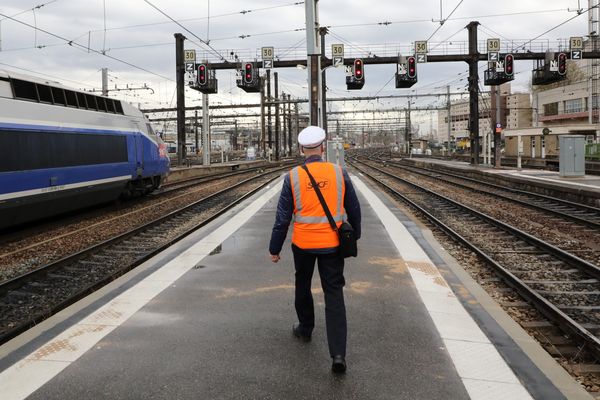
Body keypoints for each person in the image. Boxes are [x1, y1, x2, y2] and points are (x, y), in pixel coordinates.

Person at [269, 126, 361, 374]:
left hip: (303, 245)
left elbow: (282, 219)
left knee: (303, 283)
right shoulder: (340, 173)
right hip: (332, 245)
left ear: (301, 150)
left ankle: (305, 328)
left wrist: (274, 248)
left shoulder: (292, 177)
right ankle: (338, 355)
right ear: (322, 148)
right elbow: (354, 209)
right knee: (334, 294)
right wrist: (355, 237)